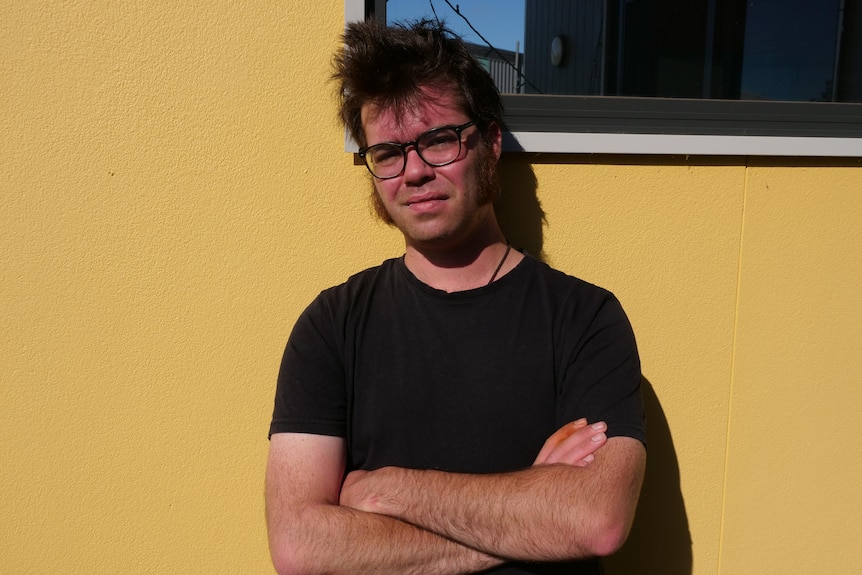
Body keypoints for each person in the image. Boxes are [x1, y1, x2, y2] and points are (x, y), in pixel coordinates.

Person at [266, 18, 646, 575]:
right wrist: (530, 512)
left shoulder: (584, 319)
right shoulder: (332, 325)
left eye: (439, 140)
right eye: (389, 152)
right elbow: (300, 546)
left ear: (490, 144)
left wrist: (387, 490)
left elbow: (597, 521)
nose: (414, 171)